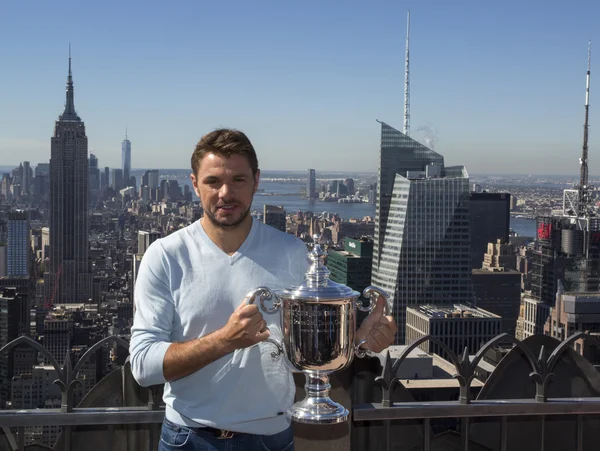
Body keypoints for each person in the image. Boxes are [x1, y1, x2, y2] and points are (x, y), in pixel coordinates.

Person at [129, 129, 397, 451]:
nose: (226, 193)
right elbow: (143, 365)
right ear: (194, 184)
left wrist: (358, 340)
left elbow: (309, 351)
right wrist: (225, 340)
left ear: (257, 181)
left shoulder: (294, 254)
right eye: (213, 181)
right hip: (188, 436)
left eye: (238, 180)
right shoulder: (166, 255)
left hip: (270, 438)